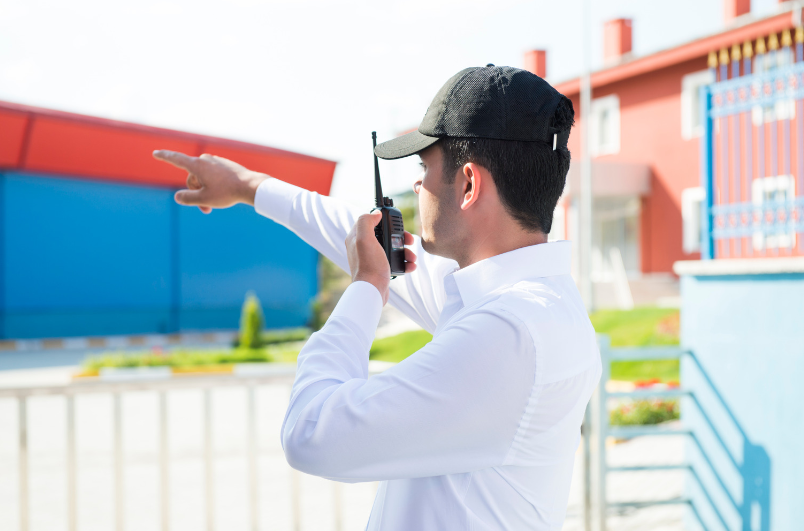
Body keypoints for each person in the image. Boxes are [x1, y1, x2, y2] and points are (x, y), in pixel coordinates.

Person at [154, 65, 601, 531]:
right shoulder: (526, 303)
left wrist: (367, 286)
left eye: (424, 167)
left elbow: (311, 434)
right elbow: (349, 228)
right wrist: (248, 186)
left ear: (468, 184)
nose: (417, 187)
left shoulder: (506, 333)